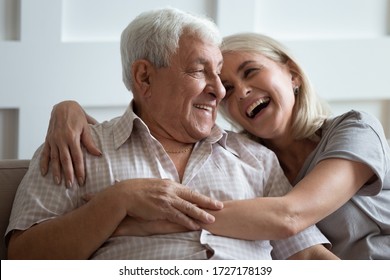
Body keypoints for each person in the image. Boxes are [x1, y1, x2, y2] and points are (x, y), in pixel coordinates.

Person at [5, 8, 336, 260]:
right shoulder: (76, 149)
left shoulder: (257, 159)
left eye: (218, 74)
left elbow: (307, 255)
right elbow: (22, 258)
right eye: (199, 71)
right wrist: (115, 203)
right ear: (144, 77)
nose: (219, 90)